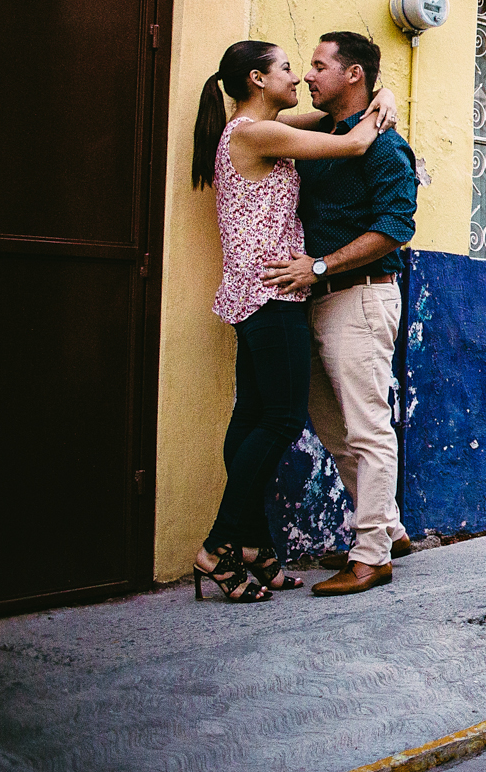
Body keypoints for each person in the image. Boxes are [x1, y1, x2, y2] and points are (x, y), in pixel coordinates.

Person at [190, 40, 392, 602]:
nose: (298, 77)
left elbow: (335, 116)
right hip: (272, 291)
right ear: (257, 79)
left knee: (254, 415)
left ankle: (254, 545)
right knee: (280, 420)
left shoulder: (256, 129)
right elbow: (352, 141)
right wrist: (378, 109)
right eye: (285, 68)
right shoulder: (257, 134)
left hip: (250, 292)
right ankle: (220, 544)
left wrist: (385, 94)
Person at [263, 31, 418, 597]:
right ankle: (389, 528)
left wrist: (321, 266)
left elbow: (396, 228)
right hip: (319, 298)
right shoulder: (331, 133)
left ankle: (371, 554)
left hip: (359, 295)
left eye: (319, 65)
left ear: (353, 74)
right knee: (332, 428)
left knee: (368, 427)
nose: (308, 75)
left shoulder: (385, 147)